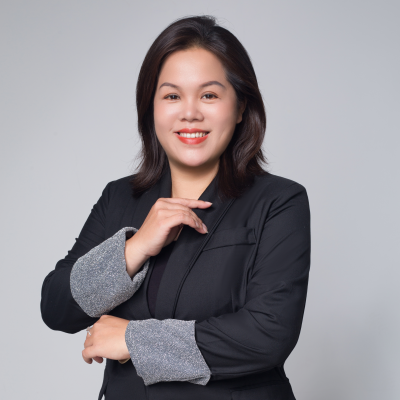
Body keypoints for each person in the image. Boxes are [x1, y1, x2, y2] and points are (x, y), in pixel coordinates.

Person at [41, 15, 311, 400]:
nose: (190, 113)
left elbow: (268, 335)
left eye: (209, 95)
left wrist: (134, 340)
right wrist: (134, 248)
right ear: (150, 108)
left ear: (240, 107)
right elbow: (56, 307)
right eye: (172, 96)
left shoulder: (279, 201)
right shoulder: (119, 198)